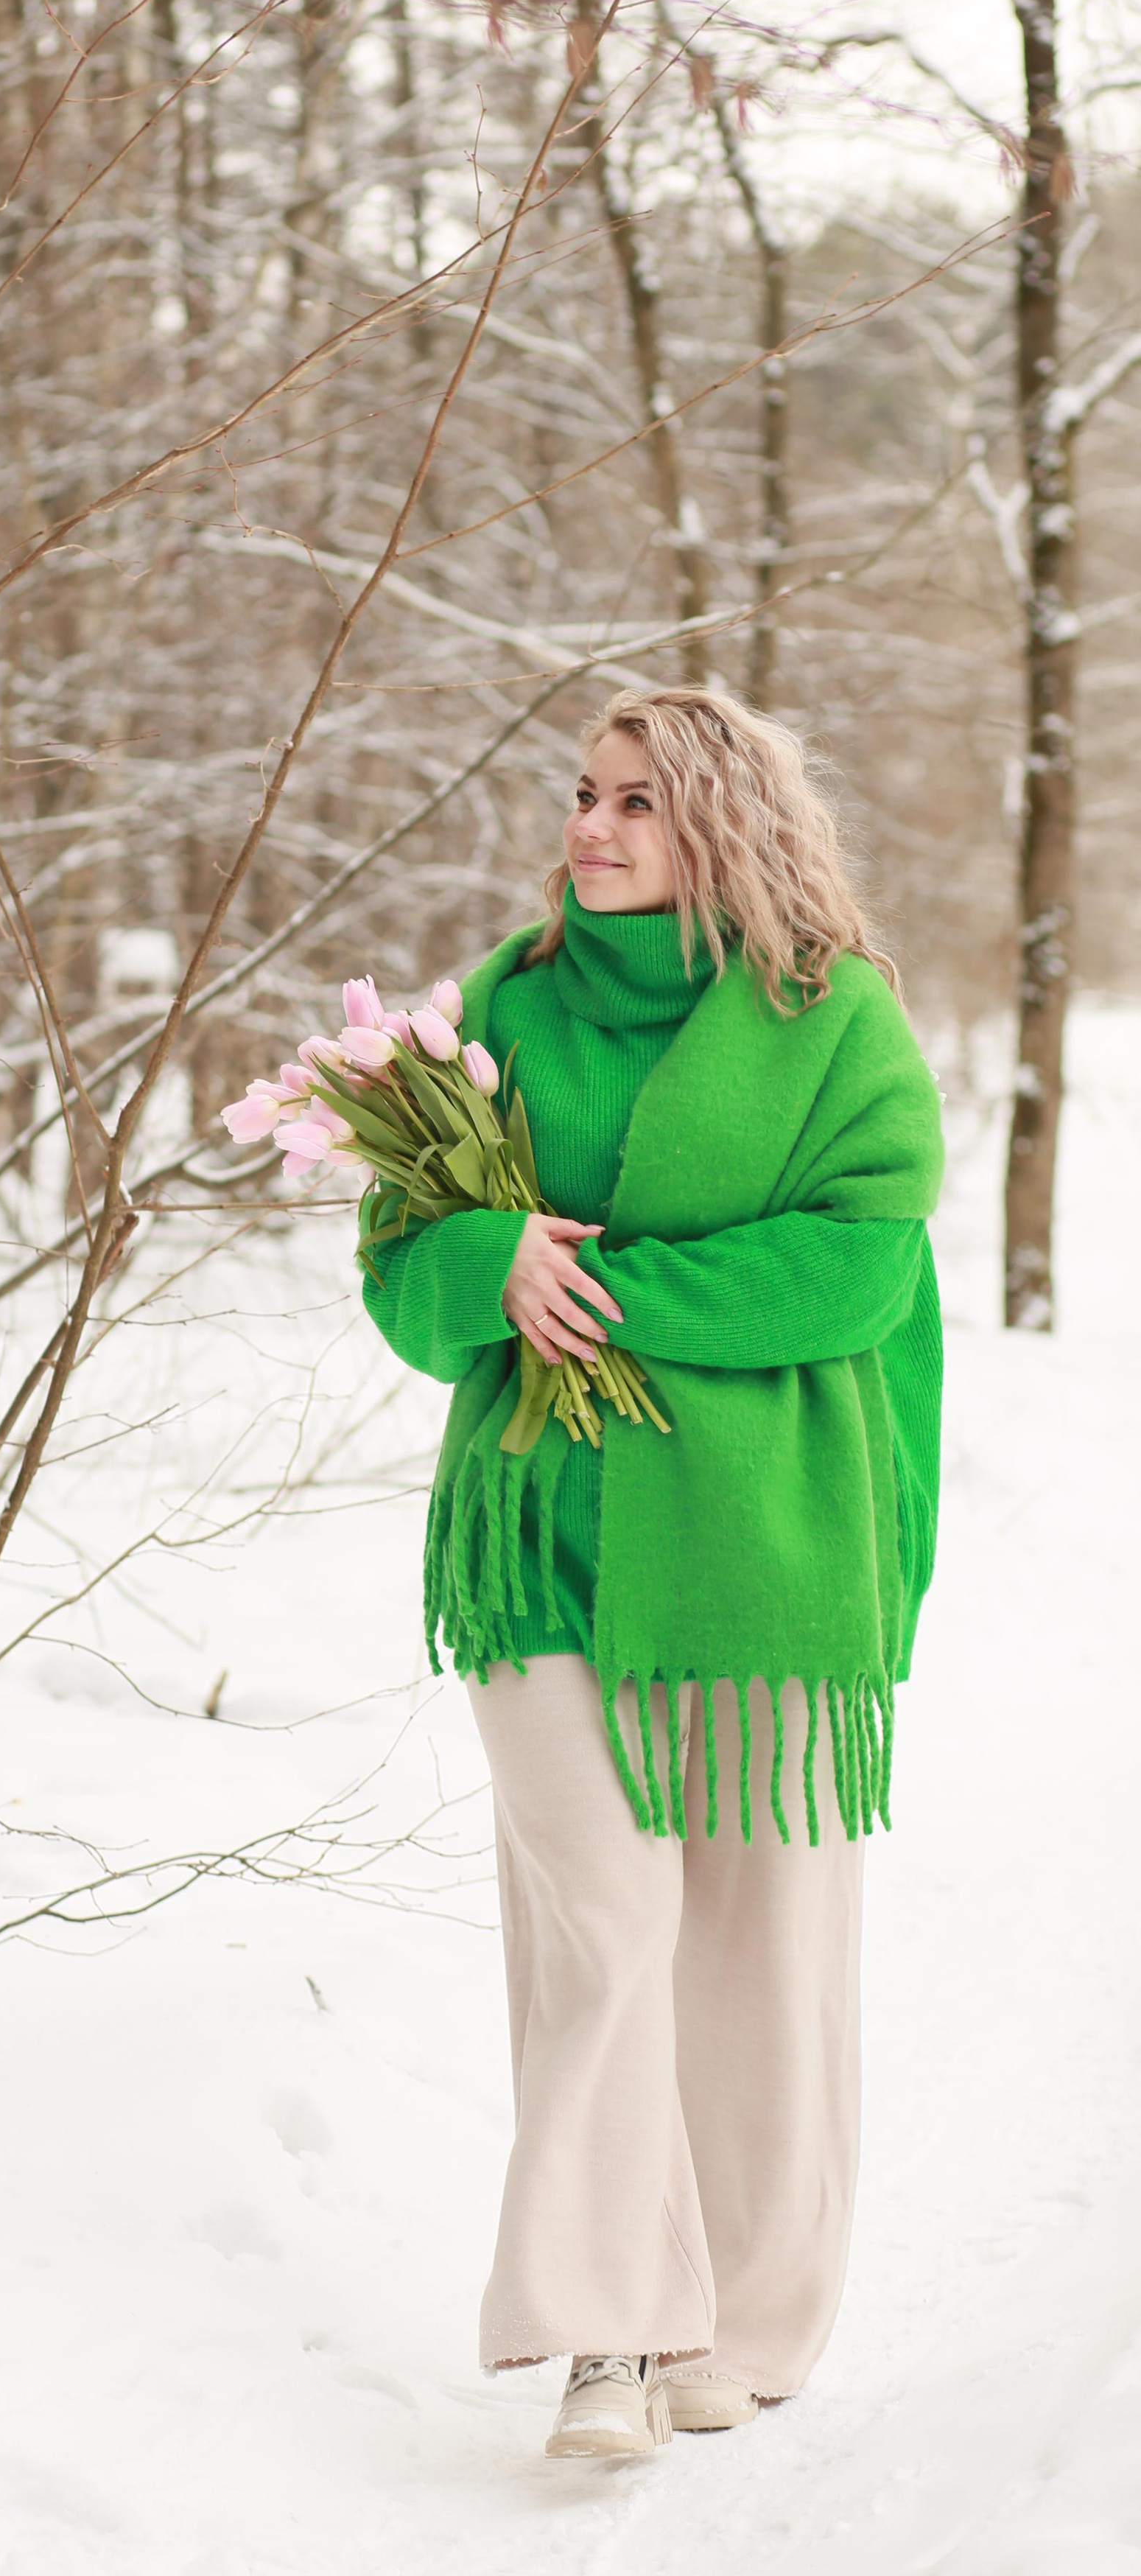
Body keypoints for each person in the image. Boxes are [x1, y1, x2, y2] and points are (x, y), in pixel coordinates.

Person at [359, 684, 943, 2459]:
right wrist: (483, 1265)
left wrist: (602, 1290)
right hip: (536, 1536)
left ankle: (747, 2321)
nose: (591, 828)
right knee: (604, 1928)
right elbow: (398, 1264)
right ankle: (611, 2327)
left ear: (724, 831)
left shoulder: (824, 1018)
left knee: (760, 1952)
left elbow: (856, 1269)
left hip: (757, 1550)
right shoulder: (495, 1012)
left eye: (637, 804)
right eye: (584, 794)